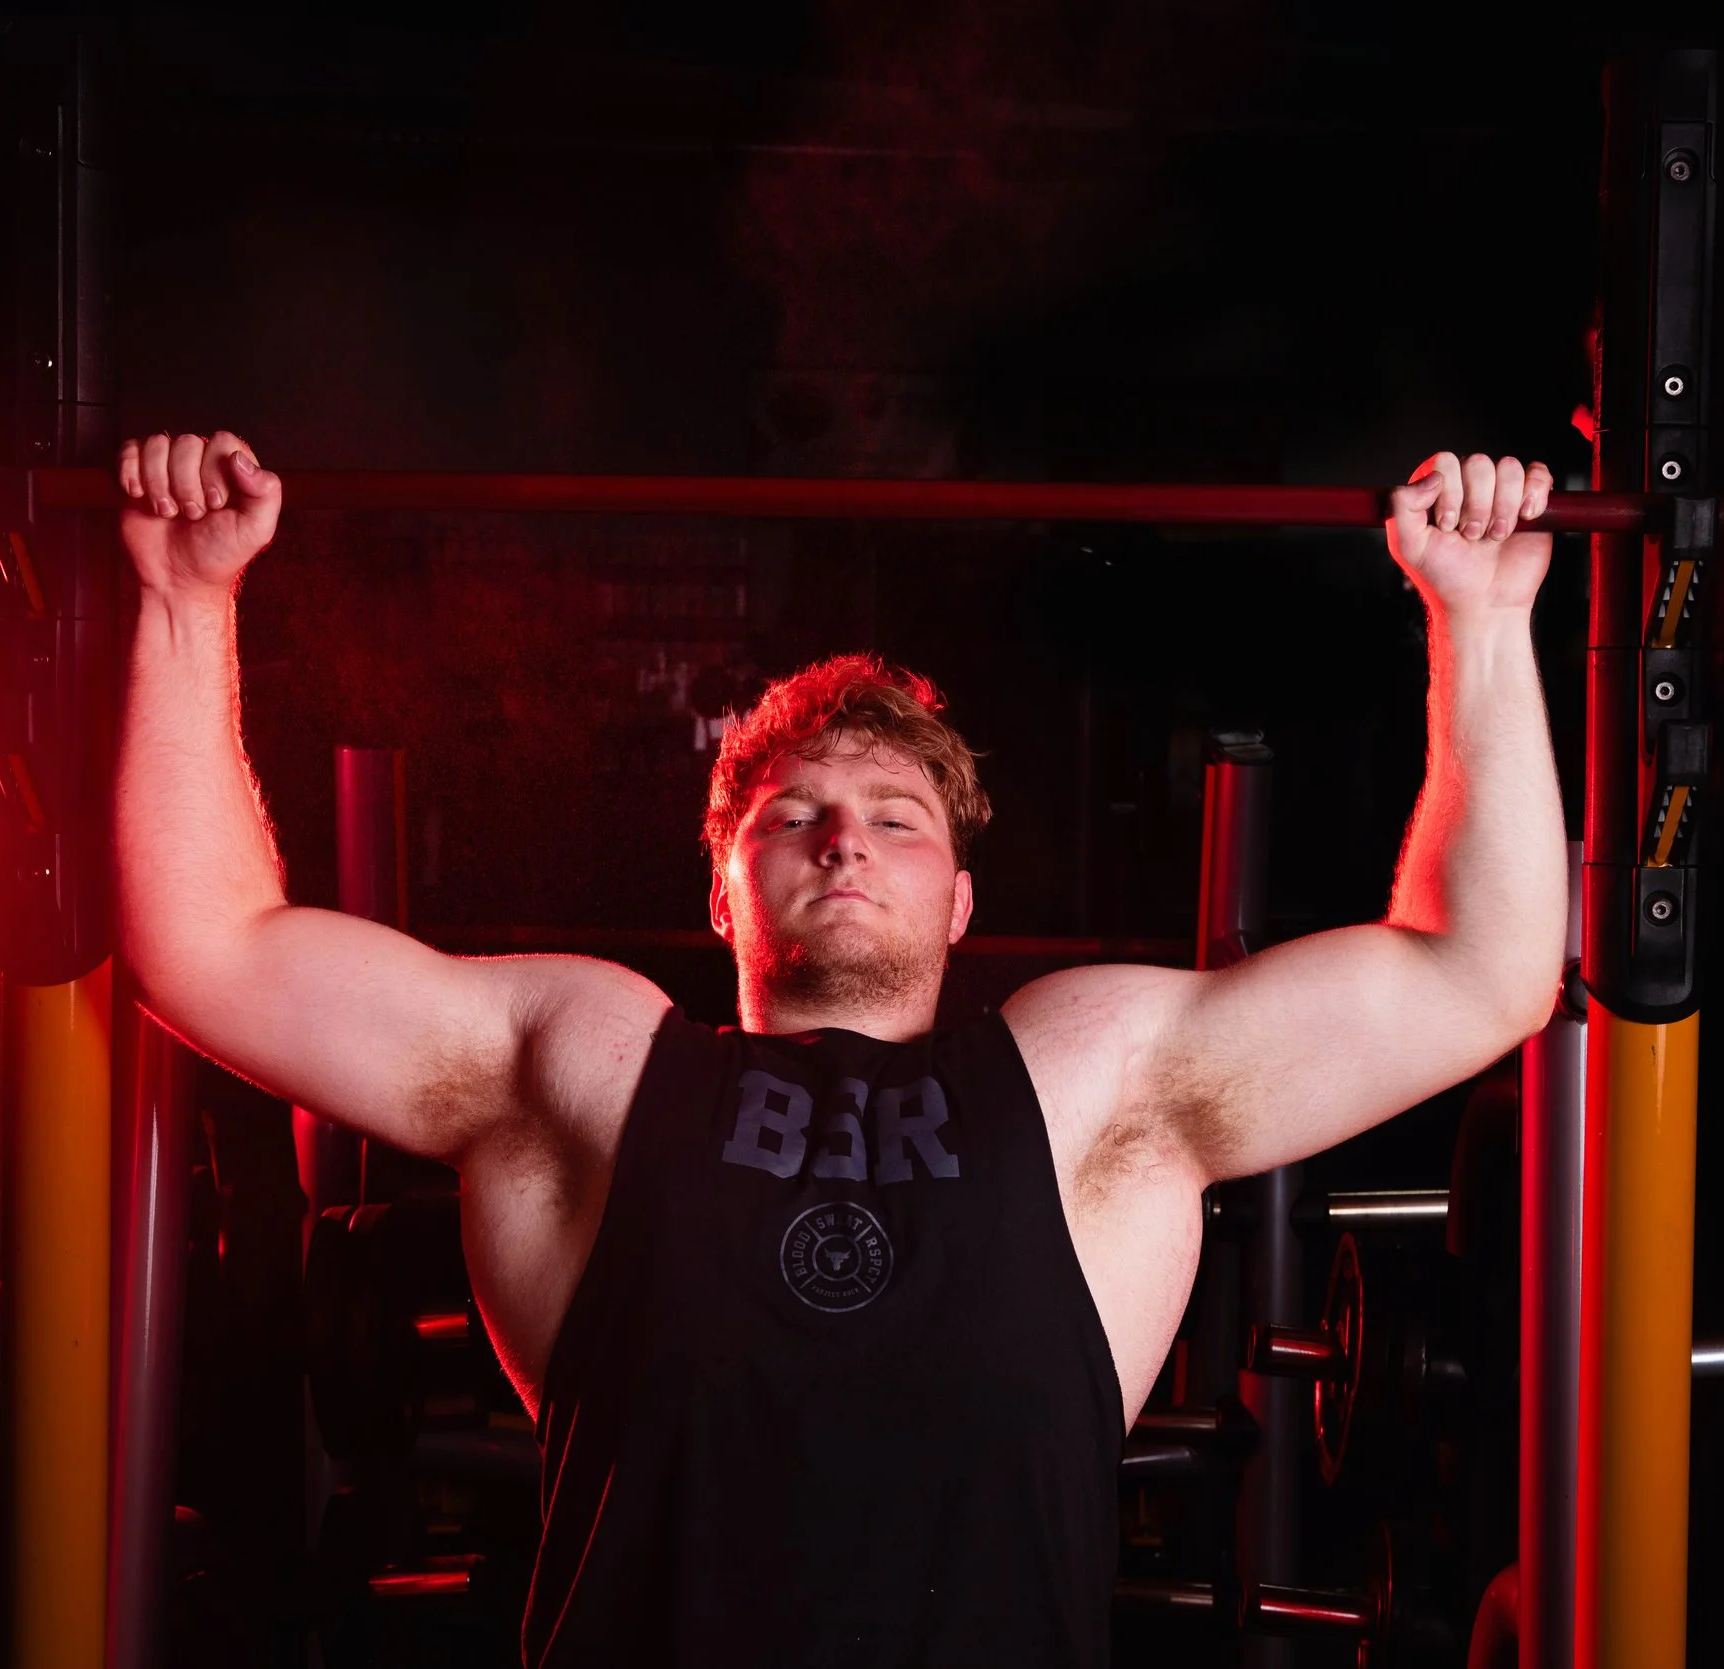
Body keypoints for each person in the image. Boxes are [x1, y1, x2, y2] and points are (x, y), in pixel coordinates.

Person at [115, 430, 1564, 1667]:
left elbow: (1480, 973)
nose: (842, 837)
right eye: (788, 814)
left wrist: (1483, 620)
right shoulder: (592, 1063)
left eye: (896, 816)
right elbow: (211, 954)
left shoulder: (1089, 1076)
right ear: (723, 888)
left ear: (961, 898)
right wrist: (187, 603)